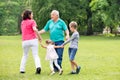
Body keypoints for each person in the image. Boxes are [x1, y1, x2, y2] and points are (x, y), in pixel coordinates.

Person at [20, 10, 42, 74]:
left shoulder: (22, 22)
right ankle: (38, 67)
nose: (32, 15)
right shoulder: (32, 21)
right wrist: (39, 37)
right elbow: (34, 29)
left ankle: (22, 69)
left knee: (24, 55)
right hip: (33, 40)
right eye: (32, 14)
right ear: (29, 15)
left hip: (24, 41)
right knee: (35, 55)